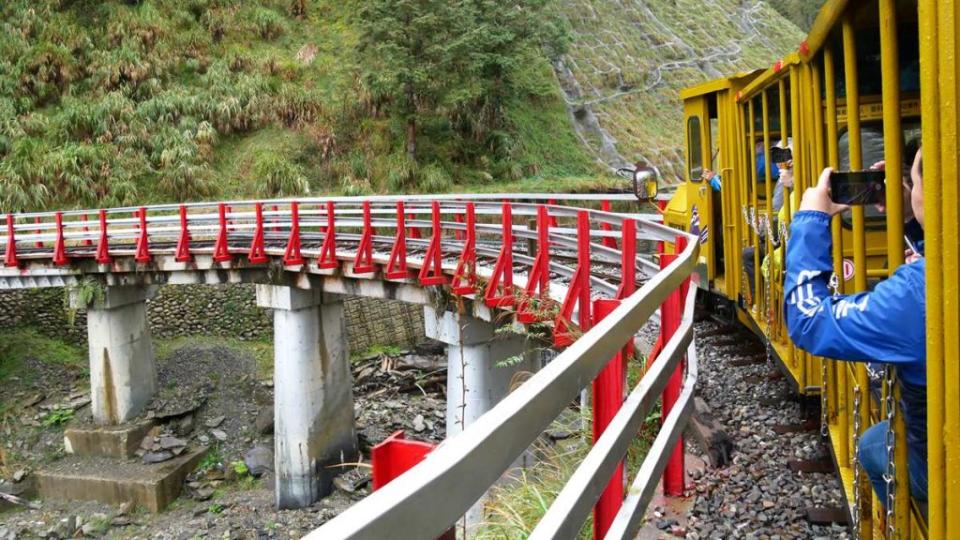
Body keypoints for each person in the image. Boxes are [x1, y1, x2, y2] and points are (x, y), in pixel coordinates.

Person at [784, 149, 927, 512]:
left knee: (873, 446)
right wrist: (911, 218)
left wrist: (811, 220)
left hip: (944, 462)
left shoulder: (919, 291)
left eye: (917, 182)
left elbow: (809, 320)